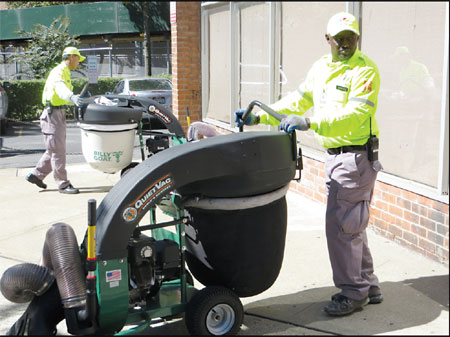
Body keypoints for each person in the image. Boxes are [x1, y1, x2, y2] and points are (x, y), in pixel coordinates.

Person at [235, 12, 383, 316]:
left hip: (353, 157)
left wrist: (310, 122)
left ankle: (354, 293)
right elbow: (298, 100)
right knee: (352, 224)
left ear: (358, 38)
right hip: (340, 157)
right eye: (338, 38)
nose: (344, 43)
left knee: (342, 229)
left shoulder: (364, 71)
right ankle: (368, 285)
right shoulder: (321, 68)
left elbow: (353, 115)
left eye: (350, 37)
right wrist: (261, 116)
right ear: (327, 39)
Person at [26, 46, 86, 194]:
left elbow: (61, 93)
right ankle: (63, 184)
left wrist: (74, 98)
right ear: (71, 57)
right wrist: (72, 97)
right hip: (53, 114)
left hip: (56, 113)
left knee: (53, 149)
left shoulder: (64, 71)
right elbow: (60, 88)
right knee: (58, 151)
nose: (79, 63)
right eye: (78, 59)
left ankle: (36, 175)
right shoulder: (59, 71)